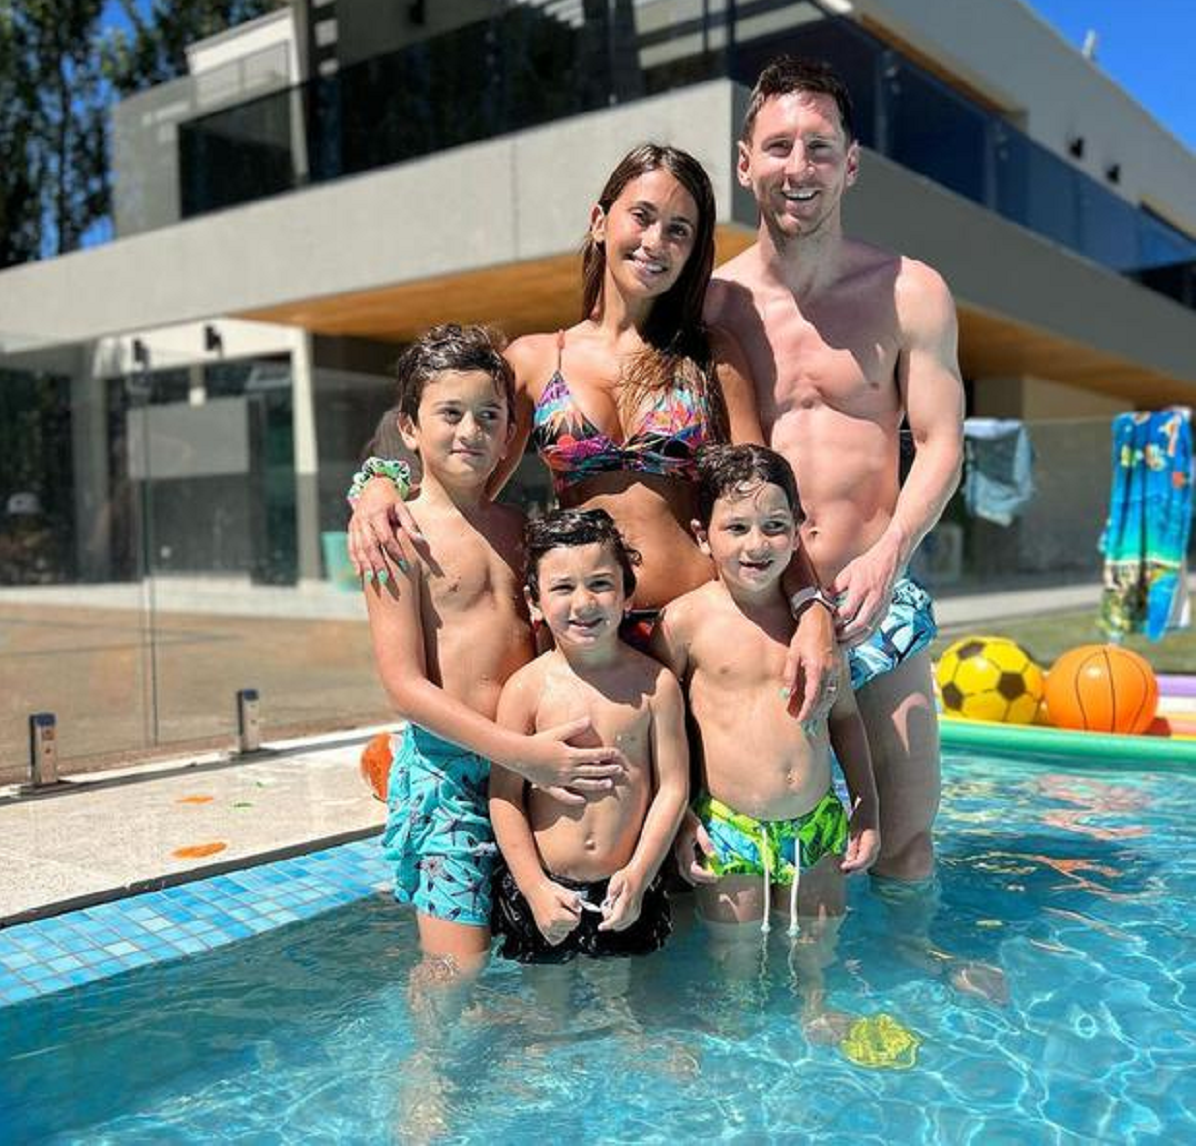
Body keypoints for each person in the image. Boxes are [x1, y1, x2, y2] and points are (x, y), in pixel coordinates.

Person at [346, 143, 838, 722]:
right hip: (585, 639)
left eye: (680, 230)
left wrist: (812, 608)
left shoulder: (710, 358)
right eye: (643, 216)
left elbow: (765, 495)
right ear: (600, 222)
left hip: (698, 630)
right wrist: (377, 485)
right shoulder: (534, 361)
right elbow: (452, 454)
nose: (657, 242)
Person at [693, 56, 965, 890]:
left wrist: (889, 557)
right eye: (778, 147)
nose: (797, 168)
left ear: (850, 163)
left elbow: (943, 443)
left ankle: (914, 1002)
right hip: (756, 614)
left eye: (818, 146)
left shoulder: (910, 291)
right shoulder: (711, 303)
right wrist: (385, 475)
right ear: (745, 164)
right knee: (740, 855)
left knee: (907, 840)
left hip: (871, 598)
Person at [364, 323, 628, 975]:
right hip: (453, 775)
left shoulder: (520, 530)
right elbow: (403, 684)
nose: (470, 431)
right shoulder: (400, 534)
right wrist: (522, 753)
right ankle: (430, 1079)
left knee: (543, 944)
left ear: (511, 433)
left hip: (528, 771)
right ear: (409, 427)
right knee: (458, 969)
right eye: (449, 414)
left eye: (489, 416)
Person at [651, 445, 879, 1030]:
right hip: (730, 828)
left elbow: (847, 718)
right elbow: (660, 727)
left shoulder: (817, 628)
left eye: (776, 527)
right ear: (704, 536)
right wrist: (679, 819)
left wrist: (867, 808)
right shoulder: (685, 622)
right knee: (737, 956)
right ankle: (738, 1035)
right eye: (738, 528)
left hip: (818, 821)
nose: (757, 545)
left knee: (817, 948)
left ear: (799, 531)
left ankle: (815, 1010)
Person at [488, 508, 688, 963]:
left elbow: (672, 787)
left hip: (627, 885)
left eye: (600, 584)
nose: (583, 603)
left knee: (625, 1016)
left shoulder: (655, 686)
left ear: (627, 595)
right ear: (534, 601)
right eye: (562, 588)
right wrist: (534, 888)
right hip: (543, 886)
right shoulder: (526, 689)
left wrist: (639, 874)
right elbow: (504, 796)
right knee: (547, 1020)